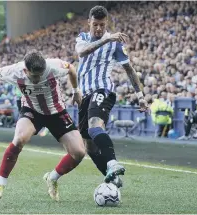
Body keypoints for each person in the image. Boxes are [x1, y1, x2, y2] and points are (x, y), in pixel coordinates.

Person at [0, 50, 86, 201]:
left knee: (79, 153)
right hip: (32, 111)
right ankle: (0, 184)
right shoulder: (15, 71)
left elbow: (71, 69)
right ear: (26, 70)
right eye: (34, 76)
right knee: (19, 139)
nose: (38, 79)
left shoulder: (54, 66)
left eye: (41, 74)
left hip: (57, 112)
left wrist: (76, 90)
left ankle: (52, 178)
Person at [75, 5, 147, 185]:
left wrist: (140, 95)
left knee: (94, 126)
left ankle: (113, 163)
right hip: (85, 96)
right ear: (89, 23)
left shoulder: (115, 42)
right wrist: (106, 40)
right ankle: (113, 179)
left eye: (102, 25)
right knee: (89, 146)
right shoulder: (82, 38)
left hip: (103, 90)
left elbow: (129, 70)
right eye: (95, 25)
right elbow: (83, 52)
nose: (99, 29)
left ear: (106, 23)